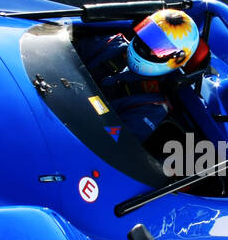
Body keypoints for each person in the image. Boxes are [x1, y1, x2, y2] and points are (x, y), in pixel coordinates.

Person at [83, 8, 201, 143]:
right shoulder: (112, 44)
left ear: (176, 58)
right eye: (148, 34)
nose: (145, 44)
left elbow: (112, 143)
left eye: (158, 47)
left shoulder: (152, 105)